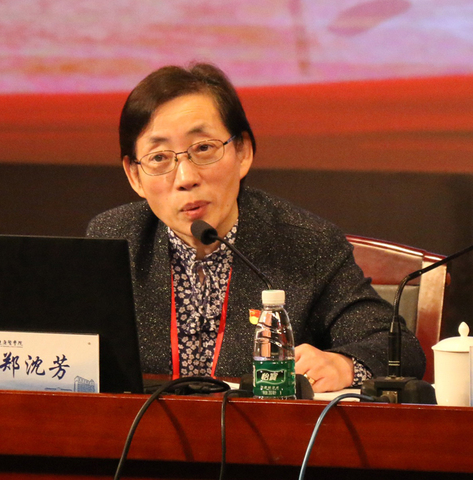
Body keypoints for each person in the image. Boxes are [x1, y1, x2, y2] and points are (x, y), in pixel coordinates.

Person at [86, 63, 425, 392]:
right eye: (159, 158)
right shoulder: (115, 239)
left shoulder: (305, 243)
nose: (186, 178)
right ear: (134, 175)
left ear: (243, 152)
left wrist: (343, 365)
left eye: (203, 149)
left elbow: (397, 348)